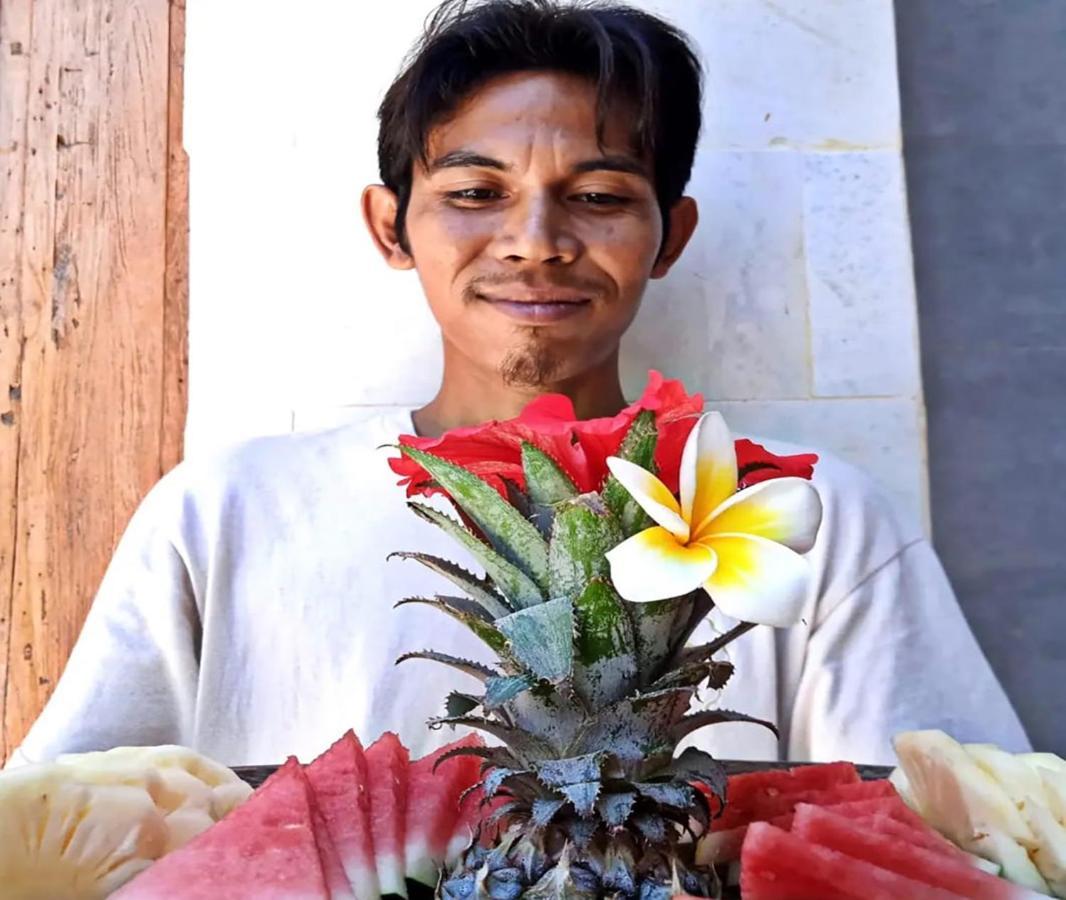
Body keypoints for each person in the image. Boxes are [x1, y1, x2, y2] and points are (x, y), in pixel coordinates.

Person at [8, 0, 1027, 769]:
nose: (535, 244)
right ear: (388, 225)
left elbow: (956, 843)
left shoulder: (813, 518)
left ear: (668, 236)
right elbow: (70, 841)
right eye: (473, 194)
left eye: (595, 196)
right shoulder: (220, 515)